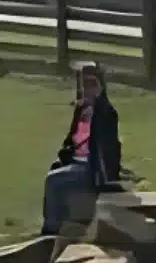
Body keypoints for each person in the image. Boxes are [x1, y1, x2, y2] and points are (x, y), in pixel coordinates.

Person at [39, 61, 123, 236]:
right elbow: (70, 140)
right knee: (57, 176)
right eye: (84, 84)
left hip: (91, 168)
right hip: (76, 163)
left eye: (92, 84)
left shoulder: (107, 113)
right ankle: (62, 226)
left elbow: (107, 143)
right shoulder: (80, 110)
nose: (88, 89)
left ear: (100, 87)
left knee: (52, 181)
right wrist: (64, 155)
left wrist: (98, 103)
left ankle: (50, 230)